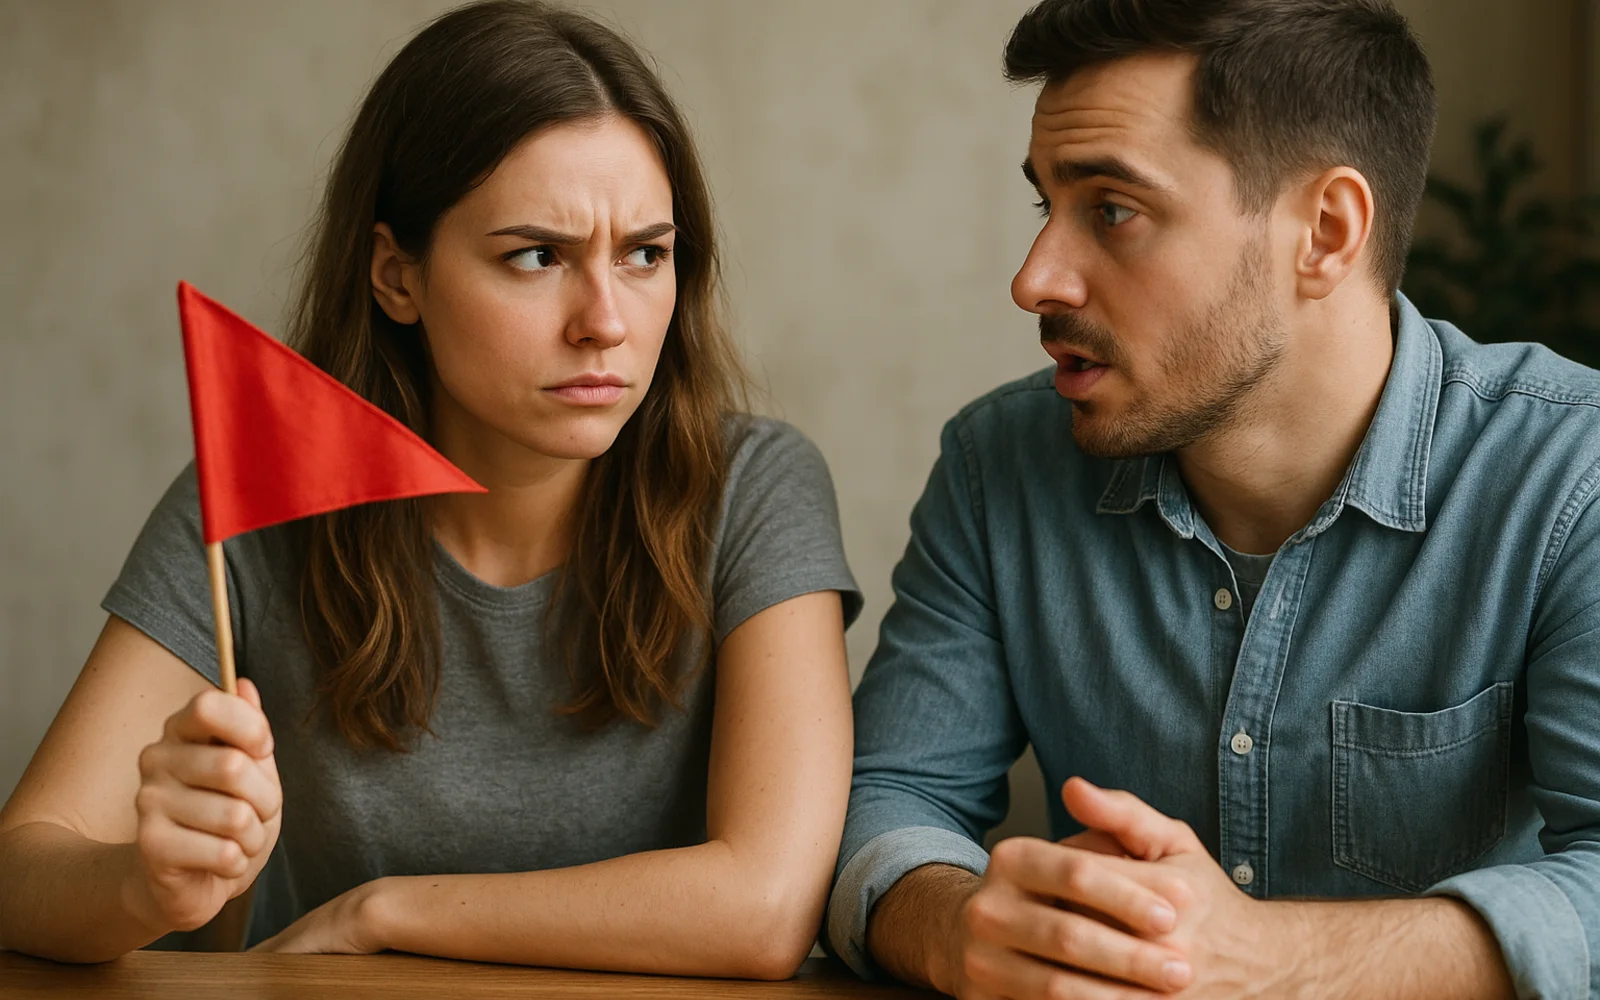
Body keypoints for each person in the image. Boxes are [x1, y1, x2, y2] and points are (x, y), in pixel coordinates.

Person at [0, 0, 860, 979]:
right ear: (395, 276)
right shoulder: (255, 501)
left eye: (643, 253)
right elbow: (23, 863)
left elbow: (764, 906)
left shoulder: (753, 488)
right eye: (536, 255)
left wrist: (381, 912)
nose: (605, 321)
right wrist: (143, 883)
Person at [829, 1, 1599, 997]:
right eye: (1044, 208)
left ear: (1325, 232)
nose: (1034, 279)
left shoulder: (1569, 476)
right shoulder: (999, 464)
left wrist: (1275, 959)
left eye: (1112, 210)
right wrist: (956, 926)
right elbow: (891, 794)